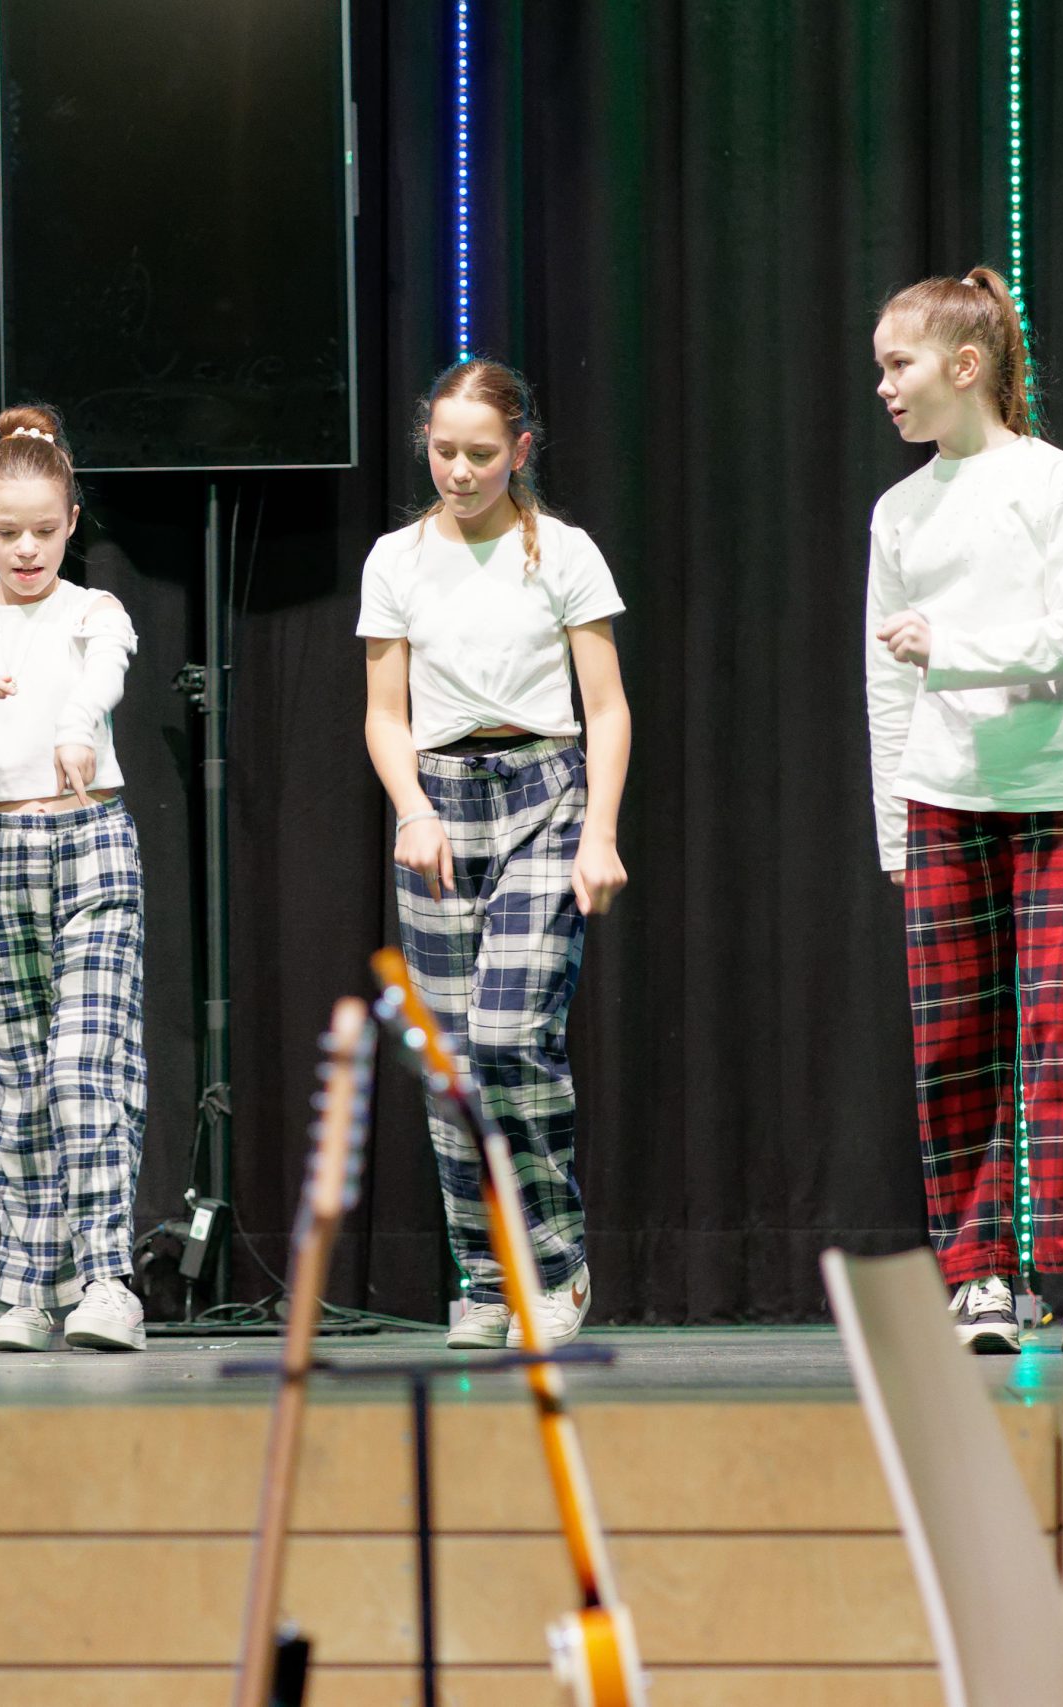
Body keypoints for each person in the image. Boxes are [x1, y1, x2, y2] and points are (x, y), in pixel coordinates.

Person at [865, 265, 1063, 1356]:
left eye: (900, 364)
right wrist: (893, 823)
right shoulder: (898, 512)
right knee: (954, 1046)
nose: (885, 386)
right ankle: (975, 1272)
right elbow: (885, 682)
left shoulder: (1056, 484)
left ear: (965, 366)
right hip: (943, 801)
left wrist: (954, 648)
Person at [358, 358, 631, 1350]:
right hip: (438, 803)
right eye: (443, 452)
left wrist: (598, 832)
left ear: (520, 449)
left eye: (480, 453)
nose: (460, 471)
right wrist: (411, 810)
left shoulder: (562, 552)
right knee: (453, 1067)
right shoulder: (395, 559)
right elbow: (385, 714)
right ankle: (483, 1279)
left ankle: (556, 1267)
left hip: (543, 794)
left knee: (511, 1034)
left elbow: (605, 707)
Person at [0, 405, 148, 1353]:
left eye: (45, 531)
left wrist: (76, 728)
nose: (26, 550)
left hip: (89, 840)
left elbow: (104, 678)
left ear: (71, 523)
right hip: (0, 851)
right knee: (19, 1077)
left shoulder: (94, 612)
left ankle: (107, 1279)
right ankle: (30, 1284)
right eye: (9, 531)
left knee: (83, 1064)